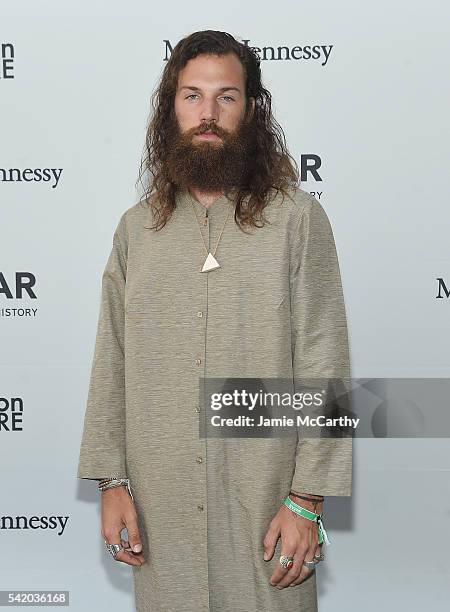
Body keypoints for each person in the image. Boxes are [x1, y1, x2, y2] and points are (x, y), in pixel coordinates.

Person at [77, 29, 352, 612]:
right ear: (168, 108)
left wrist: (307, 499)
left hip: (266, 505)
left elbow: (325, 362)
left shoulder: (297, 220)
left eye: (226, 97)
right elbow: (114, 358)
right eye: (191, 96)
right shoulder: (136, 230)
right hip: (161, 508)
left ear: (251, 109)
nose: (208, 113)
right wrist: (111, 482)